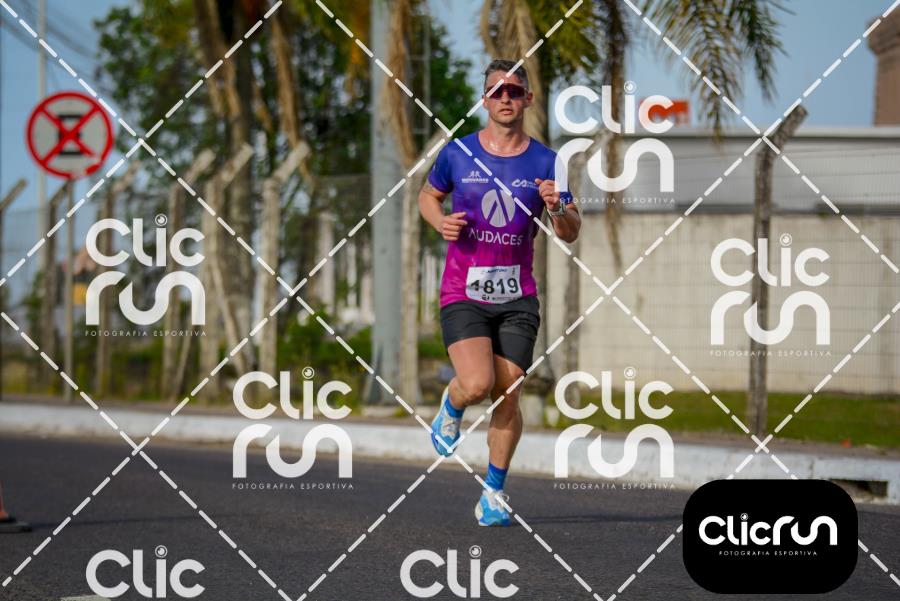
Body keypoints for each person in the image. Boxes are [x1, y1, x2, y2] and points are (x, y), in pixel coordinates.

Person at [418, 59, 581, 526]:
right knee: (476, 384)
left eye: (514, 91)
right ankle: (451, 406)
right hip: (463, 290)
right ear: (484, 100)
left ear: (528, 98)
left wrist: (557, 208)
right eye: (496, 91)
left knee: (508, 393)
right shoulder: (458, 154)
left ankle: (493, 492)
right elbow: (428, 196)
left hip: (517, 297)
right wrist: (440, 222)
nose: (505, 98)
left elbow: (571, 231)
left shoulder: (548, 162)